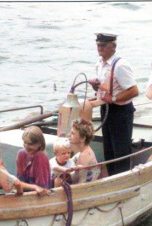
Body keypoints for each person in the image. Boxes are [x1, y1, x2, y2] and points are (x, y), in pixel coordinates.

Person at [87, 33, 139, 176]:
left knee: (121, 150)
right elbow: (105, 88)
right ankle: (111, 177)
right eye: (98, 45)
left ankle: (123, 179)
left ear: (113, 46)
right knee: (108, 149)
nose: (100, 48)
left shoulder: (120, 65)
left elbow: (134, 91)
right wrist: (95, 86)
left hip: (121, 112)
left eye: (103, 45)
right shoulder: (100, 63)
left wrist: (114, 98)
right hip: (106, 109)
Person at [54, 119, 100, 185]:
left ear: (82, 138)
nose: (70, 135)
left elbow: (81, 183)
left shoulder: (84, 156)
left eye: (73, 133)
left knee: (57, 181)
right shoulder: (84, 152)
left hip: (83, 191)